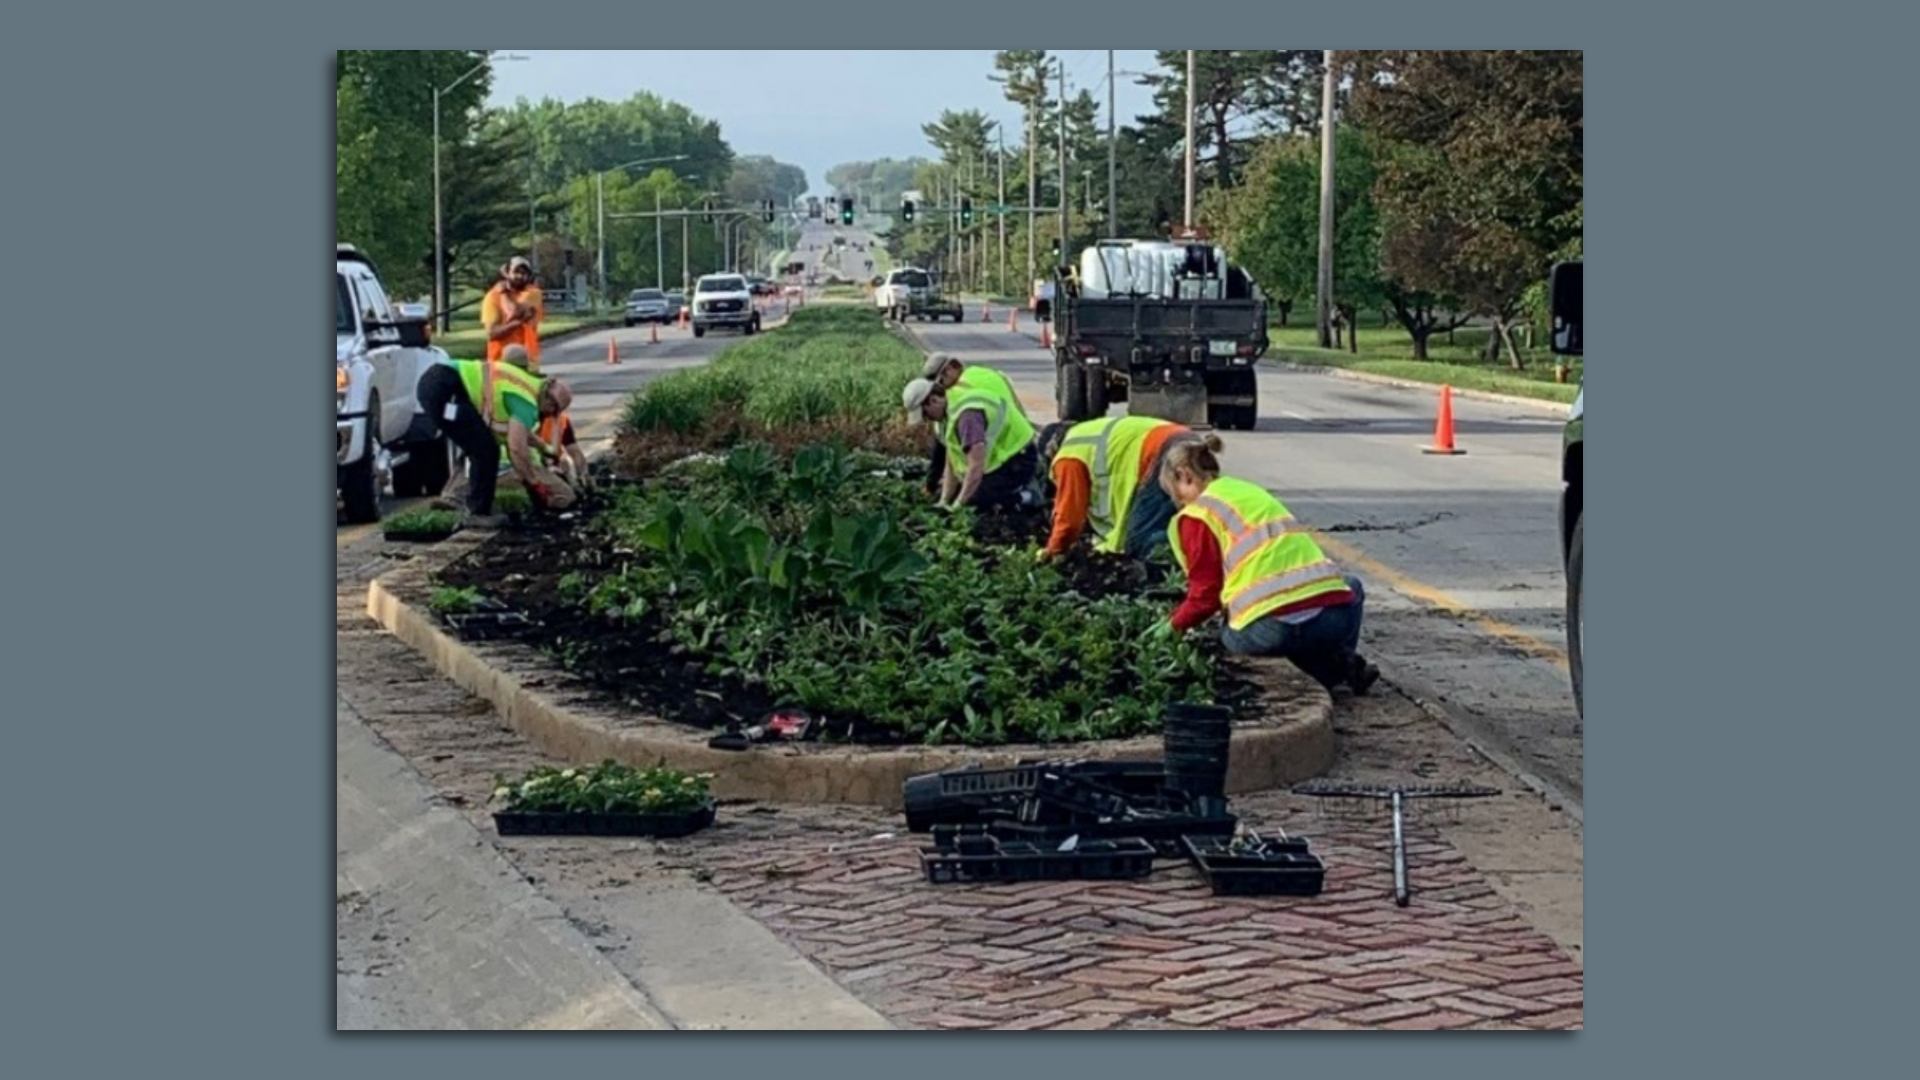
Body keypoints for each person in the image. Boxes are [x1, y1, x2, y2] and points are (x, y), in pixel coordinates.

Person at [1149, 436, 1380, 695]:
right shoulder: (1248, 491)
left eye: (1175, 493)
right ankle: (1338, 668)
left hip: (1270, 630)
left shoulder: (1198, 515)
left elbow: (1206, 598)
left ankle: (1321, 672)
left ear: (1184, 475)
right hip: (1331, 621)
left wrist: (1172, 626)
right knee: (1352, 586)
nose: (1179, 503)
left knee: (1225, 634)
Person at [415, 356, 576, 526]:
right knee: (485, 450)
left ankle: (459, 499)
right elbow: (516, 447)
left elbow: (520, 433)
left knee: (476, 441)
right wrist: (535, 484)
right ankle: (477, 513)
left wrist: (543, 447)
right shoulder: (527, 403)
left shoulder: (528, 386)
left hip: (440, 383)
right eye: (553, 413)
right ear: (550, 404)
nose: (549, 416)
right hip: (445, 389)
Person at [1033, 415, 1201, 563]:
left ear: (1051, 452)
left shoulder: (1068, 456)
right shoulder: (1086, 434)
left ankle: (1203, 547)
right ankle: (1204, 545)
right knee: (1188, 513)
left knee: (1139, 541)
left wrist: (1052, 551)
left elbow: (1070, 517)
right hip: (1186, 440)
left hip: (1161, 452)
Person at [902, 376, 1037, 512]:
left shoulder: (967, 416)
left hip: (1018, 458)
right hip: (997, 460)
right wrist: (944, 500)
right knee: (964, 493)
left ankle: (1026, 496)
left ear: (933, 400)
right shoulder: (947, 413)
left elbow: (976, 465)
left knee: (976, 500)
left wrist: (958, 506)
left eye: (925, 413)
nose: (926, 419)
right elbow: (952, 460)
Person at [917, 354, 1028, 497]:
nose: (940, 388)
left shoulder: (958, 396)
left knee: (975, 496)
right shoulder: (979, 373)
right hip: (1018, 438)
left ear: (949, 370)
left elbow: (943, 447)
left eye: (940, 382)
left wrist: (931, 485)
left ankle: (1023, 497)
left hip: (1005, 454)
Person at [500, 345, 591, 491]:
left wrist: (582, 476)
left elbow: (573, 452)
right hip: (525, 465)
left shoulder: (511, 400)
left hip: (531, 464)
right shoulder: (526, 406)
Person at [481, 256, 544, 366]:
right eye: (516, 272)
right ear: (507, 273)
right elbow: (492, 333)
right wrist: (517, 323)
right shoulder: (492, 296)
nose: (520, 276)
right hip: (499, 362)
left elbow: (512, 312)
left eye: (524, 273)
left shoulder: (534, 293)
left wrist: (503, 293)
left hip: (528, 361)